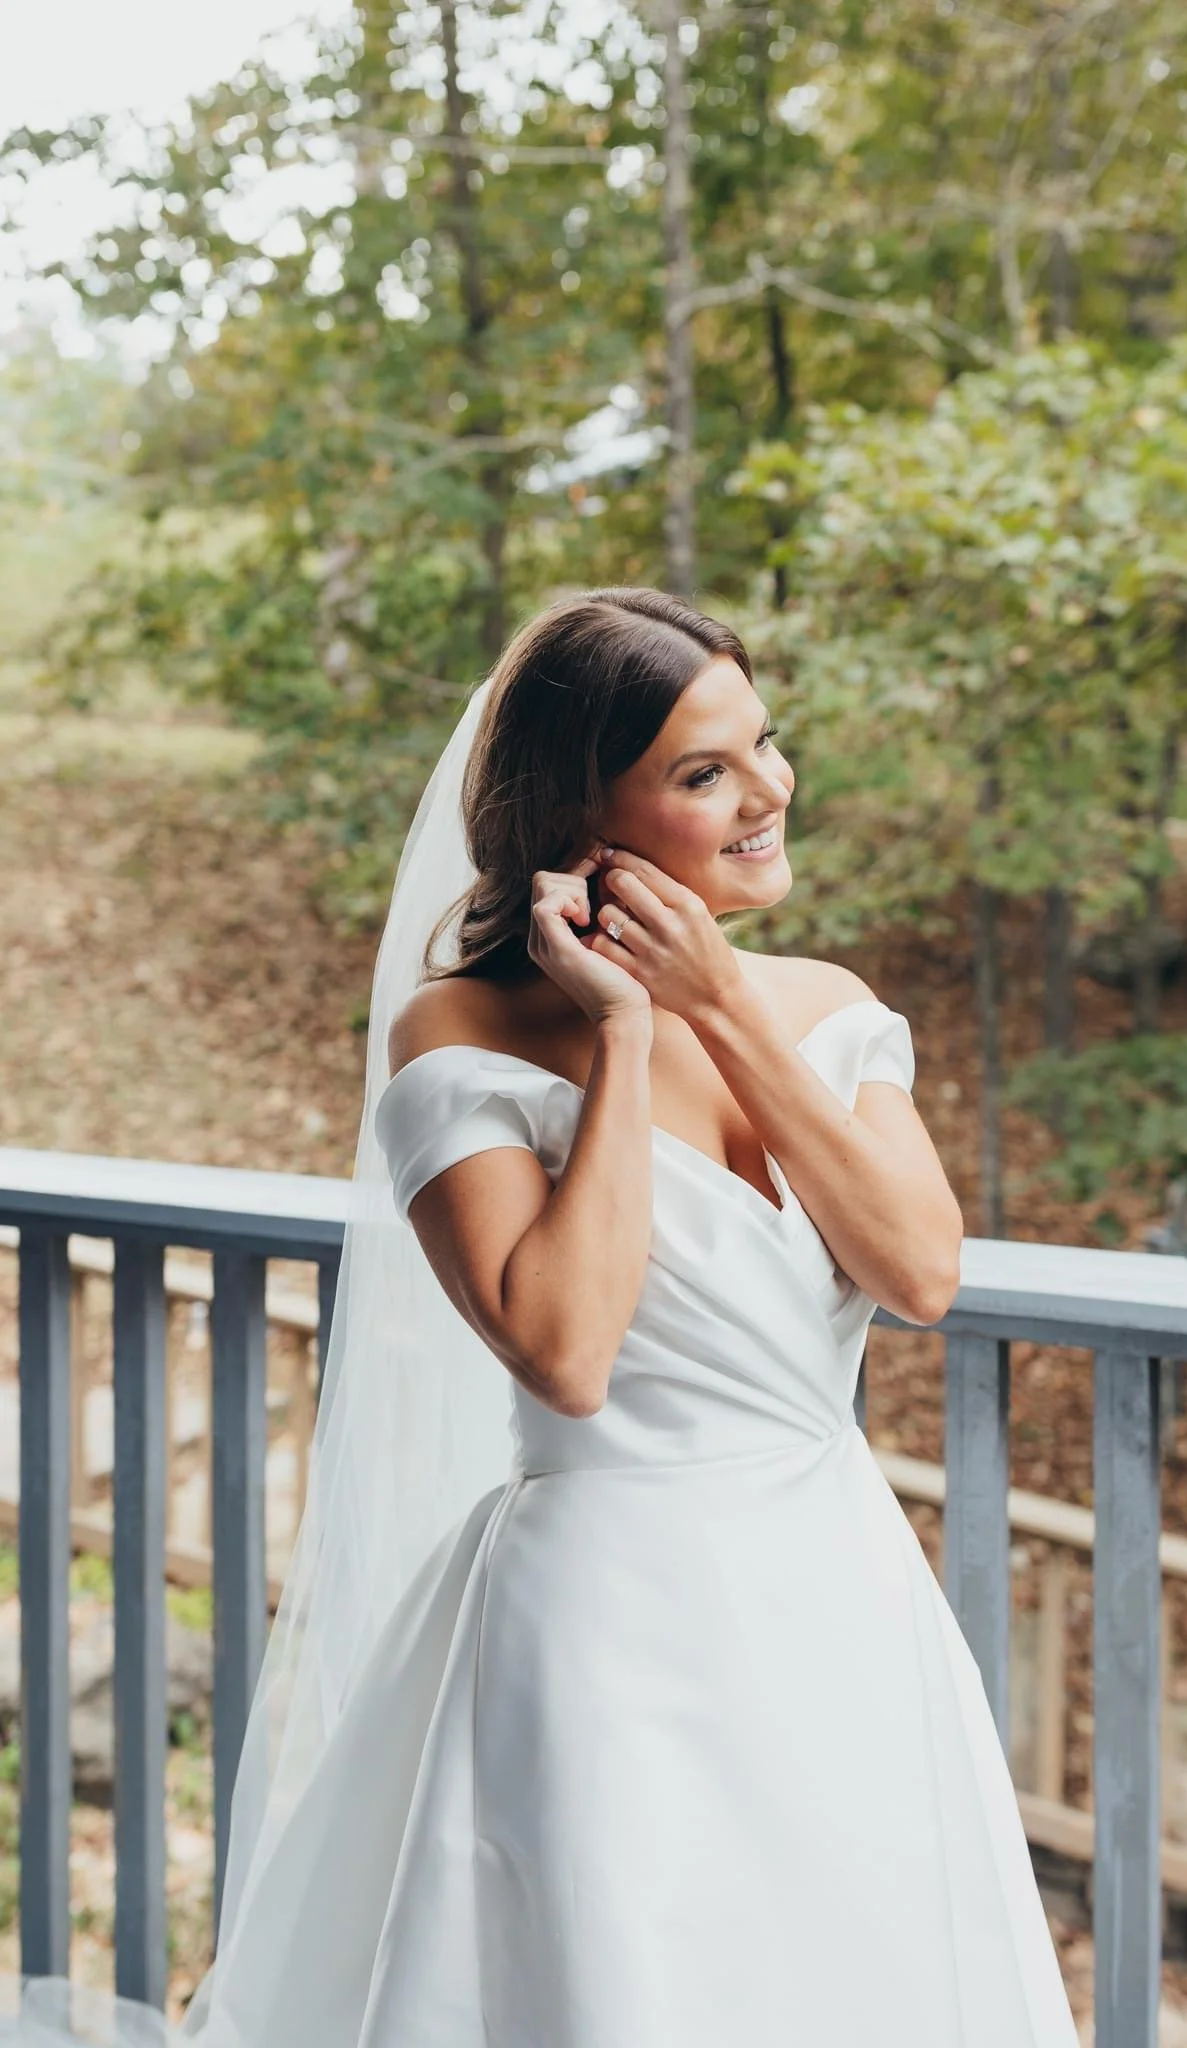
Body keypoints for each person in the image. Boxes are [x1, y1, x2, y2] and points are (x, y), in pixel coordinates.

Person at [0, 587, 1080, 2047]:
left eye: (764, 745)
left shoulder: (825, 1007)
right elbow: (564, 1351)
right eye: (705, 774)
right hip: (605, 1627)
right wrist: (632, 1032)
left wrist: (722, 1002)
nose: (769, 791)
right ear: (589, 825)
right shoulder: (461, 1035)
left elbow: (919, 1273)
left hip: (840, 1601)